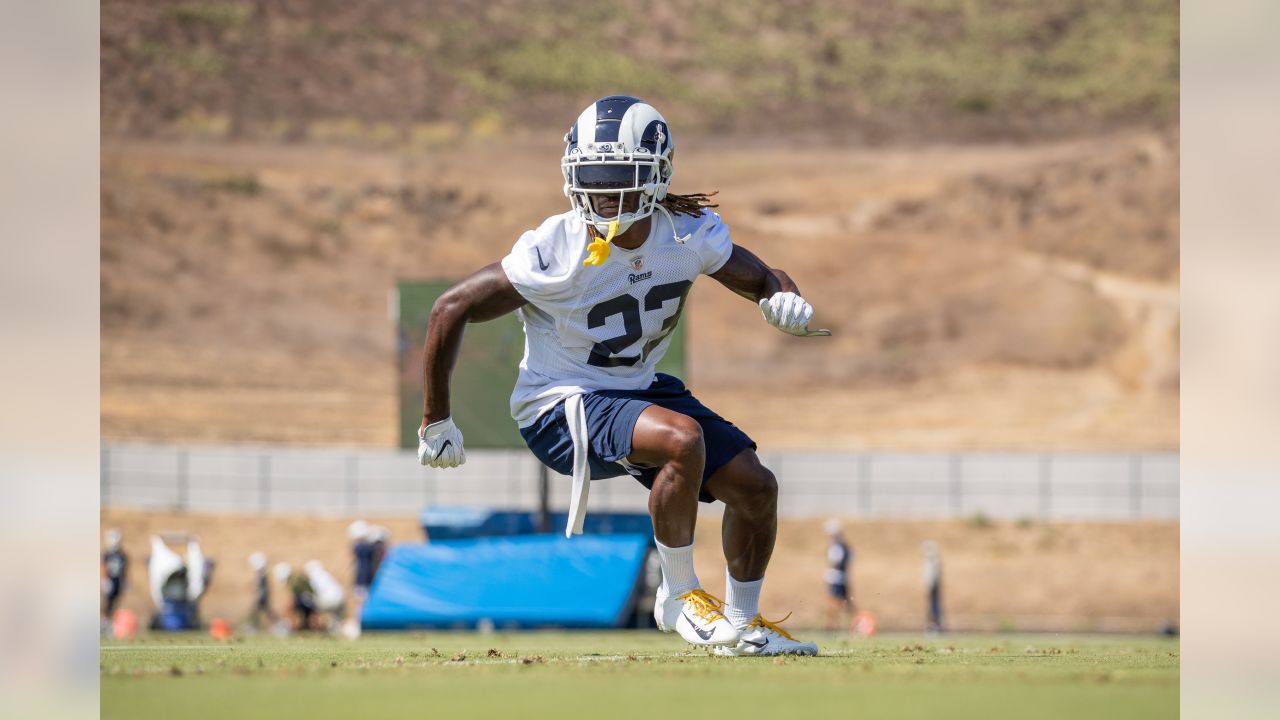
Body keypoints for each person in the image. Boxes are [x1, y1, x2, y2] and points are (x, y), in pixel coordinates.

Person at [418, 95, 826, 656]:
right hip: (560, 403)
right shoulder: (557, 247)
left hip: (634, 389)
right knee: (683, 440)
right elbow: (449, 307)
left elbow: (762, 276)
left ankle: (744, 625)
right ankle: (679, 595)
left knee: (756, 486)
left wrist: (782, 297)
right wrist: (435, 419)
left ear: (656, 178)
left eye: (618, 177)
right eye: (590, 177)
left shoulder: (686, 235)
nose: (602, 193)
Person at [823, 519, 856, 631]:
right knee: (847, 602)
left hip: (836, 578)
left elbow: (835, 562)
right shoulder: (845, 545)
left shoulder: (836, 546)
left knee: (834, 602)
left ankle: (831, 626)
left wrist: (829, 573)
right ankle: (856, 623)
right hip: (843, 577)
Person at [101, 528, 128, 625]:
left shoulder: (122, 554)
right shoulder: (107, 553)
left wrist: (125, 581)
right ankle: (104, 622)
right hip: (110, 580)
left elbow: (124, 568)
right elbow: (104, 566)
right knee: (108, 603)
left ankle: (111, 622)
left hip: (118, 581)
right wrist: (105, 580)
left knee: (116, 602)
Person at [245, 552, 275, 629]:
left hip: (261, 597)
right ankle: (253, 626)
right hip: (262, 597)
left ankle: (252, 626)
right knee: (264, 613)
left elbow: (260, 588)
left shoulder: (261, 574)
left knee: (259, 613)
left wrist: (258, 597)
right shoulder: (261, 573)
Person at [922, 540, 944, 635]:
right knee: (931, 608)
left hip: (934, 588)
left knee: (934, 608)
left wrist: (930, 587)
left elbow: (933, 577)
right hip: (931, 588)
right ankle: (932, 625)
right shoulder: (929, 561)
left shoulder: (933, 562)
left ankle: (935, 626)